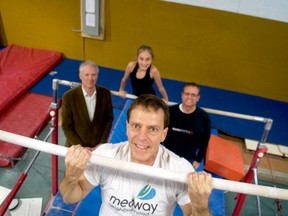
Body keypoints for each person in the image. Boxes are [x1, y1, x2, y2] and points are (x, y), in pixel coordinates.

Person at [60, 94, 212, 216]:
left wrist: (201, 207)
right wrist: (71, 176)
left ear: (163, 134)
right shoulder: (106, 156)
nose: (142, 137)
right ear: (127, 128)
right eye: (136, 126)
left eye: (152, 129)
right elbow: (69, 197)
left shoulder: (179, 169)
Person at [61, 60, 114, 148]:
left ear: (97, 76)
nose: (90, 78)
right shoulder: (69, 97)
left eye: (93, 75)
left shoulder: (105, 93)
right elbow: (66, 125)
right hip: (76, 148)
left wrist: (101, 143)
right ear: (80, 76)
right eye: (87, 75)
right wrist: (80, 147)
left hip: (98, 148)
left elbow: (109, 119)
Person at [163, 82, 211, 170]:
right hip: (166, 156)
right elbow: (159, 132)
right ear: (182, 95)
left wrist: (198, 160)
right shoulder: (169, 112)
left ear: (198, 98)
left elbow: (205, 141)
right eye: (187, 94)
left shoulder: (204, 118)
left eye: (193, 95)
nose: (189, 97)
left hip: (187, 160)